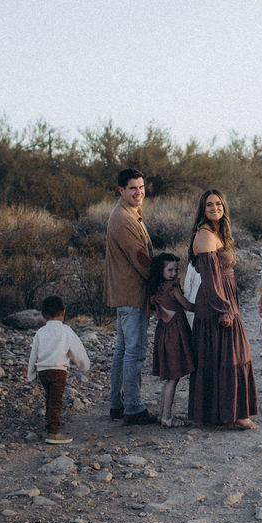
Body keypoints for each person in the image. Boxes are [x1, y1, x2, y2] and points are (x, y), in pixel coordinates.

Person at [188, 189, 259, 430]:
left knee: (224, 355)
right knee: (232, 355)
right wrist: (224, 308)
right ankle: (235, 414)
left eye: (218, 204)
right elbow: (209, 277)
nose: (215, 208)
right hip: (214, 303)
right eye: (209, 205)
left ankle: (223, 413)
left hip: (225, 300)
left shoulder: (218, 232)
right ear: (203, 209)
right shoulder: (205, 235)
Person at [104, 168, 158, 425]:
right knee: (133, 352)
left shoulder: (128, 213)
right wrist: (162, 284)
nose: (139, 192)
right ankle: (133, 408)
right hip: (131, 293)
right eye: (133, 188)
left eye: (141, 187)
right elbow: (142, 260)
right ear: (121, 191)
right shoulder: (124, 219)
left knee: (123, 350)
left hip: (126, 293)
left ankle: (118, 404)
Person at [26, 295, 91, 444]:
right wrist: (84, 366)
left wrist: (31, 375)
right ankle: (53, 432)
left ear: (43, 315)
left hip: (42, 371)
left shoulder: (40, 332)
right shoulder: (66, 330)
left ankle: (50, 423)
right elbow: (78, 352)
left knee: (50, 397)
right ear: (63, 312)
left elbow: (33, 355)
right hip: (58, 371)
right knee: (56, 400)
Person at [147, 252, 196, 428]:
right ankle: (167, 417)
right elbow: (188, 306)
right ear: (161, 271)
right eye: (170, 270)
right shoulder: (172, 289)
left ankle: (163, 414)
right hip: (175, 333)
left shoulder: (158, 288)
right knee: (173, 378)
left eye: (176, 270)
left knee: (170, 377)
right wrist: (205, 307)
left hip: (165, 333)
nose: (174, 273)